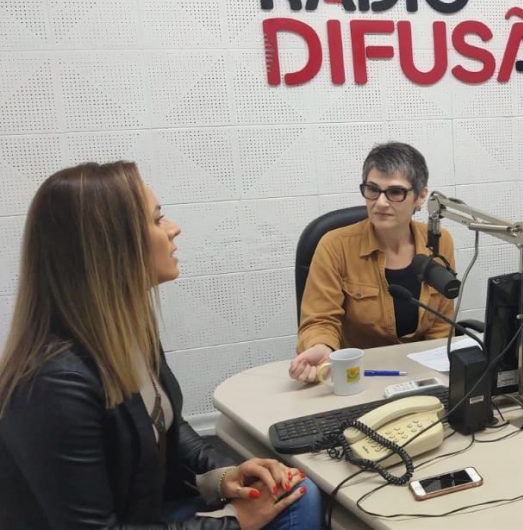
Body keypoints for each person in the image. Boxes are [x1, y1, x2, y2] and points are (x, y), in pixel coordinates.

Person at [0, 162, 321, 529]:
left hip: (148, 510)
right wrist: (234, 524)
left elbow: (162, 427)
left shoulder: (126, 333)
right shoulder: (53, 385)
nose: (174, 229)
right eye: (157, 220)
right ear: (111, 247)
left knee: (296, 491)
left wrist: (223, 474)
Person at [290, 142, 456, 383]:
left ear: (420, 197)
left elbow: (441, 326)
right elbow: (320, 320)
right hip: (357, 376)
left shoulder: (439, 242)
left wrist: (436, 378)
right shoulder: (334, 245)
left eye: (395, 192)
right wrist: (322, 346)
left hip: (421, 377)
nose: (380, 202)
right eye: (372, 189)